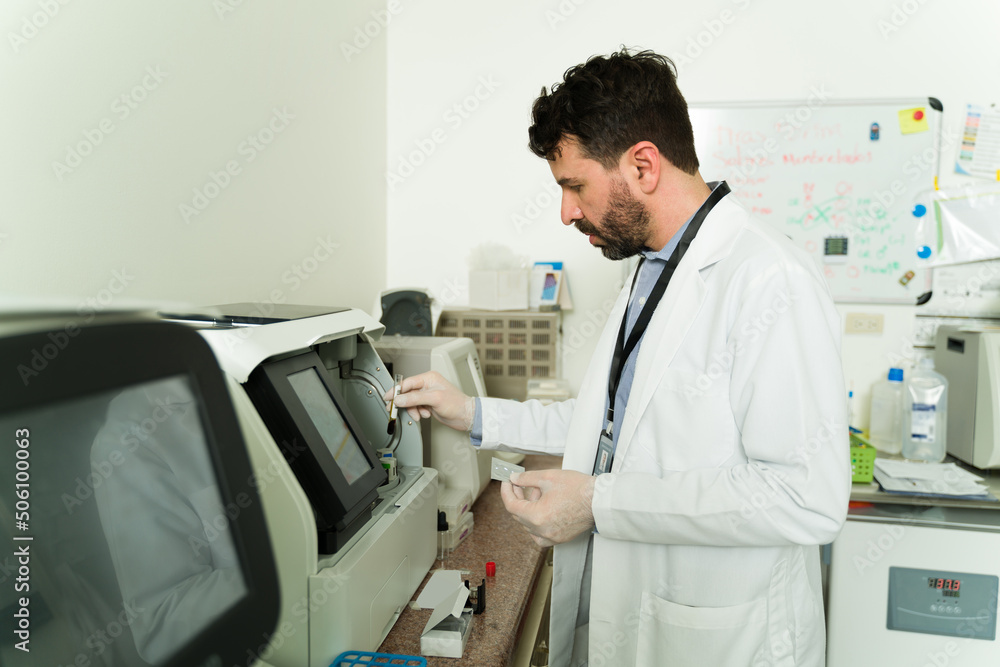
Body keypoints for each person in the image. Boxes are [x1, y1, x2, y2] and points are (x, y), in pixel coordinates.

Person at [389, 48, 850, 667]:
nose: (566, 212)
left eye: (575, 186)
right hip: (639, 610)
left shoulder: (768, 280)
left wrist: (598, 502)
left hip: (723, 635)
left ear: (643, 164)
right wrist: (469, 412)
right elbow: (613, 430)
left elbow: (804, 495)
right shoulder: (653, 269)